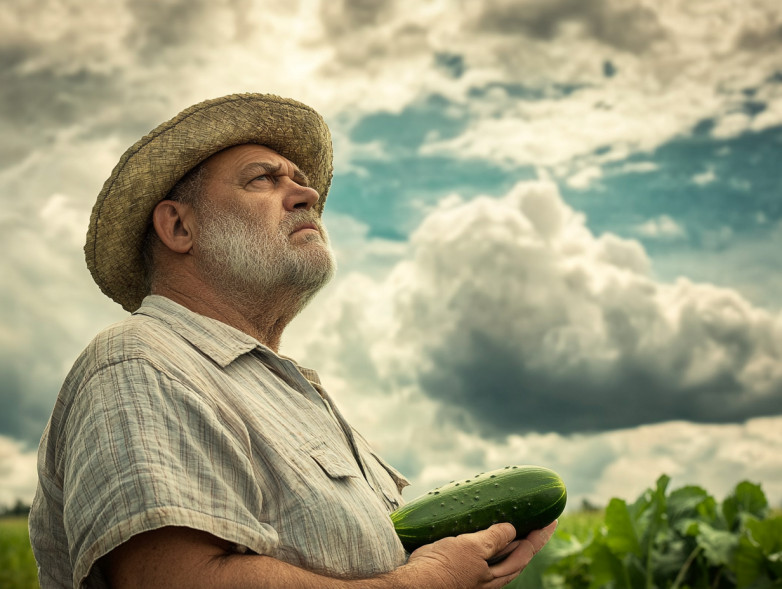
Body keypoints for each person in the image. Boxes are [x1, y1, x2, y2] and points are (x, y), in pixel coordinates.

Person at [29, 93, 556, 588]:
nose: (307, 195)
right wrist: (422, 581)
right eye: (264, 179)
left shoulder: (290, 392)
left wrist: (449, 565)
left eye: (302, 182)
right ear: (179, 227)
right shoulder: (141, 363)